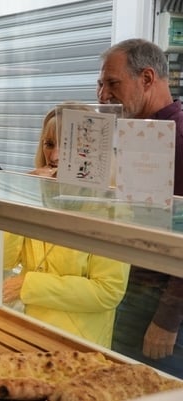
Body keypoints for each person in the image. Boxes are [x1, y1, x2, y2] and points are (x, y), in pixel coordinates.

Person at [1, 105, 131, 349]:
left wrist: (28, 285)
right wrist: (21, 199)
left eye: (68, 145)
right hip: (29, 332)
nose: (55, 156)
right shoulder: (41, 197)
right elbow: (6, 260)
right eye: (49, 144)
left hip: (78, 344)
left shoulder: (112, 208)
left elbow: (108, 291)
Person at [97, 38, 183, 377]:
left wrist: (167, 318)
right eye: (101, 85)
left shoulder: (177, 136)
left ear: (147, 78)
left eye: (112, 84)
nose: (103, 95)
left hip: (159, 305)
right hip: (130, 292)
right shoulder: (136, 132)